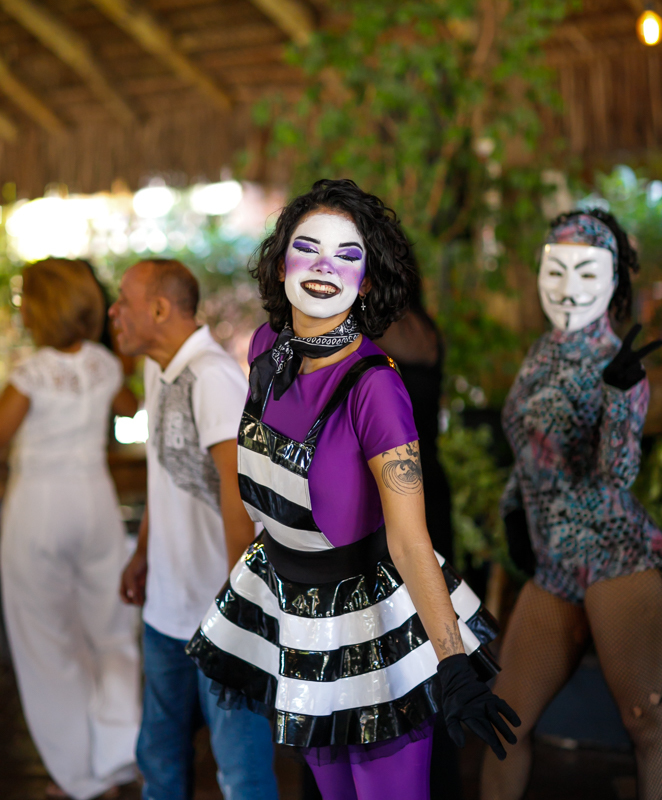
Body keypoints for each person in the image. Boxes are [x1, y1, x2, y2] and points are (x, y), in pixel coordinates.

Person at [186, 179, 520, 800]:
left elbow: (411, 537)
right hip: (294, 613)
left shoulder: (376, 390)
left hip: (369, 625)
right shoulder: (266, 349)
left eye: (346, 254)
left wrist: (450, 661)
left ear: (366, 282)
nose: (322, 266)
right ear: (281, 259)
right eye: (307, 248)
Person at [480, 210, 662, 800]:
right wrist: (513, 509)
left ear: (614, 282)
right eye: (556, 270)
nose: (568, 287)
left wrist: (620, 399)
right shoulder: (541, 353)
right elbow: (531, 452)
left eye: (587, 272)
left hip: (616, 559)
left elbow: (618, 473)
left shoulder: (620, 364)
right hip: (556, 565)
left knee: (648, 725)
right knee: (504, 722)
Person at [109, 259, 278, 800]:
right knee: (159, 762)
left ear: (159, 309)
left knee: (240, 775)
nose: (113, 312)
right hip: (166, 610)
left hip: (220, 614)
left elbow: (239, 507)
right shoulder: (158, 368)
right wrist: (142, 554)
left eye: (124, 302)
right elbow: (166, 475)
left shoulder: (213, 379)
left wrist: (241, 614)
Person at [0, 258, 141, 800]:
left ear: (40, 309)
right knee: (109, 631)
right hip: (94, 504)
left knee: (46, 641)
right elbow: (128, 405)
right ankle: (115, 754)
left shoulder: (30, 375)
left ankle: (77, 775)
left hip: (38, 507)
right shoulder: (105, 366)